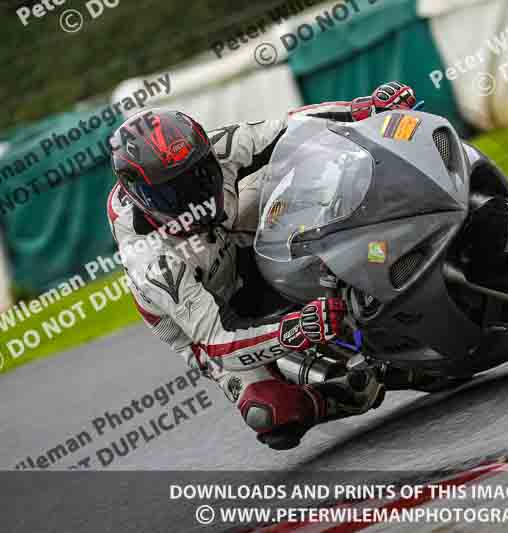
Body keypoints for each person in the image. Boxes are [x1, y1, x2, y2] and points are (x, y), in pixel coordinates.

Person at [106, 82, 417, 450]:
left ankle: (379, 246)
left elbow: (291, 125)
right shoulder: (150, 259)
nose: (194, 196)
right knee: (269, 414)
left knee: (302, 173)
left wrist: (364, 108)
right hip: (215, 319)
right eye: (174, 192)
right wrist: (295, 329)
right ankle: (347, 392)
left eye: (200, 174)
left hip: (236, 240)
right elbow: (218, 341)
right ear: (140, 197)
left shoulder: (219, 146)